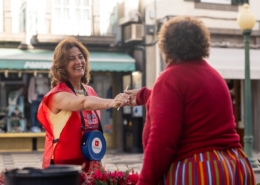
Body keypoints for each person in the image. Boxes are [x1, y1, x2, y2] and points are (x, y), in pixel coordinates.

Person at [124, 16, 255, 185]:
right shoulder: (214, 76)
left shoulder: (170, 78)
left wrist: (145, 182)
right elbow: (190, 105)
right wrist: (145, 95)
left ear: (166, 46)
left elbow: (163, 140)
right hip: (234, 166)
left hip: (199, 170)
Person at [37, 37, 127, 173]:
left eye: (80, 57)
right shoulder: (56, 95)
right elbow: (83, 103)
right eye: (71, 59)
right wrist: (112, 102)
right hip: (62, 168)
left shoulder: (90, 91)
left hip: (89, 165)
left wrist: (97, 162)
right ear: (62, 65)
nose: (79, 62)